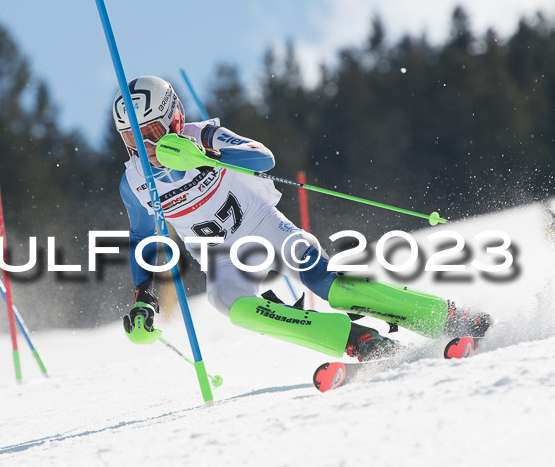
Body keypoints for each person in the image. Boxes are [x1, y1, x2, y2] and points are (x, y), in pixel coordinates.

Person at [115, 75, 491, 361]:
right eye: (133, 138)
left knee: (333, 286)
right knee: (232, 304)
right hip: (221, 258)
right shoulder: (134, 183)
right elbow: (144, 241)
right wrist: (144, 298)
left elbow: (262, 158)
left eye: (151, 131)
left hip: (264, 225)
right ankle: (355, 339)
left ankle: (446, 317)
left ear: (175, 119)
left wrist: (204, 154)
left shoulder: (206, 136)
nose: (145, 147)